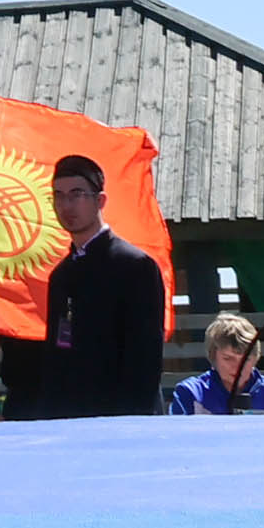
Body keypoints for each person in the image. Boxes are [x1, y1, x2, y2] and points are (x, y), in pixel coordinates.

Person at [26, 156, 168, 419]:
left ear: (100, 200)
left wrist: (132, 420)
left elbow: (145, 357)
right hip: (72, 417)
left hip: (125, 416)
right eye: (58, 196)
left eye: (76, 194)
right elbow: (58, 353)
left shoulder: (135, 266)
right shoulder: (61, 275)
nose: (66, 205)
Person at [169, 312, 264, 414]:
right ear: (213, 357)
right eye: (228, 358)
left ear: (255, 359)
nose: (237, 367)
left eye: (245, 360)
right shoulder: (190, 393)